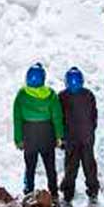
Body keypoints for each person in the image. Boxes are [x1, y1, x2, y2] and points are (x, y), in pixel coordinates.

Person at [13, 62, 65, 199]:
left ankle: (29, 190)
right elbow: (57, 117)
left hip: (29, 135)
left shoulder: (22, 95)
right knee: (50, 165)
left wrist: (18, 139)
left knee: (30, 166)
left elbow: (17, 119)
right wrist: (59, 136)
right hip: (47, 134)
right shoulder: (51, 95)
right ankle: (53, 192)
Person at [58, 66, 99, 204]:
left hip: (71, 138)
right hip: (87, 136)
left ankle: (68, 193)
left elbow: (59, 119)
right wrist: (91, 130)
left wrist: (61, 137)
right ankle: (93, 190)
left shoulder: (62, 96)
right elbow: (94, 116)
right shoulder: (89, 95)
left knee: (71, 165)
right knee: (89, 164)